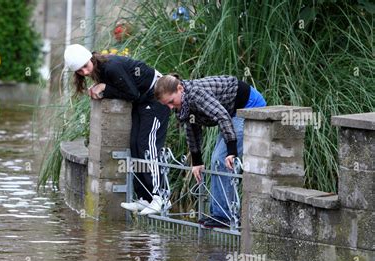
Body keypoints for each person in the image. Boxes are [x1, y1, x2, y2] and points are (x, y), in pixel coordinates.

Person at [64, 44, 170, 215]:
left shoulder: (112, 67)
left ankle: (161, 197)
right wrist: (102, 86)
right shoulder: (100, 69)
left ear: (91, 58)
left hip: (158, 97)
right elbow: (130, 93)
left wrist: (105, 88)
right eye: (79, 71)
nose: (84, 72)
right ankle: (145, 197)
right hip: (142, 101)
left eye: (85, 66)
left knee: (147, 146)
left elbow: (132, 94)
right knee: (135, 144)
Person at [154, 74, 266, 227]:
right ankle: (218, 214)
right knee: (216, 160)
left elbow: (221, 116)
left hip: (248, 106)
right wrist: (197, 162)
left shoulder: (196, 94)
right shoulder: (185, 104)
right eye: (167, 105)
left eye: (172, 102)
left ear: (180, 88)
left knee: (220, 160)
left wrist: (231, 151)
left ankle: (225, 216)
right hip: (231, 112)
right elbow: (192, 129)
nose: (171, 107)